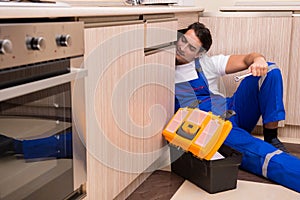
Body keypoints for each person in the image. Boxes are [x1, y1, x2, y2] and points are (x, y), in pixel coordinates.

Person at [174, 22, 300, 193]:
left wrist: (258, 60)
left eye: (191, 47)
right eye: (183, 40)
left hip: (232, 109)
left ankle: (271, 137)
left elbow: (248, 57)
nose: (182, 48)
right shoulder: (161, 65)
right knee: (257, 150)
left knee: (270, 70)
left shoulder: (207, 64)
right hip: (210, 126)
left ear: (199, 54)